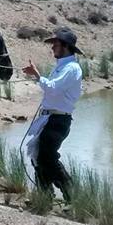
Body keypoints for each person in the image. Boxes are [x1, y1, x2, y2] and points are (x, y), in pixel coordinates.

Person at [21, 28, 84, 200]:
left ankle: (72, 196)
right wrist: (38, 77)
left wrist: (37, 75)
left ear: (65, 46)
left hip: (58, 120)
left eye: (55, 44)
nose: (52, 47)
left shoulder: (71, 68)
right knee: (40, 157)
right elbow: (52, 89)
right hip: (50, 119)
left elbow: (53, 88)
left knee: (47, 158)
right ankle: (45, 197)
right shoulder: (63, 67)